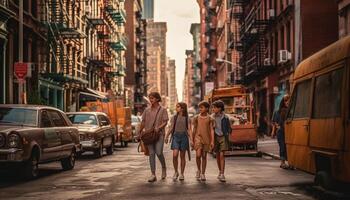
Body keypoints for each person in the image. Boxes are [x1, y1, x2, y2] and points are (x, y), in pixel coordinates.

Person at [138, 92, 169, 182]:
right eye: (150, 98)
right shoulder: (147, 110)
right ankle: (153, 174)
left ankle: (164, 167)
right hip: (148, 135)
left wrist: (159, 128)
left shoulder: (163, 110)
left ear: (157, 99)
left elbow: (165, 121)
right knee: (151, 153)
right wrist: (140, 132)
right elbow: (143, 122)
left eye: (152, 98)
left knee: (159, 152)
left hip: (159, 134)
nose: (150, 100)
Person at [165, 102, 192, 181]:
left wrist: (191, 140)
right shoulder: (174, 117)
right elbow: (171, 128)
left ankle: (182, 173)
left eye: (178, 107)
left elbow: (189, 130)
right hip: (176, 137)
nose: (176, 108)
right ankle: (176, 171)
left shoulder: (187, 118)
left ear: (182, 108)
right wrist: (166, 136)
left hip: (184, 137)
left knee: (182, 156)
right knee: (175, 155)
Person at [191, 101, 215, 181]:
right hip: (198, 138)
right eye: (199, 107)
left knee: (204, 156)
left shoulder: (210, 118)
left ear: (207, 108)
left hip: (207, 139)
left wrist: (212, 141)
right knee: (198, 155)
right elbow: (194, 129)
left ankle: (203, 173)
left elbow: (211, 130)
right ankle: (198, 170)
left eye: (202, 107)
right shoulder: (196, 118)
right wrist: (192, 140)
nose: (200, 109)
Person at [212, 100, 232, 182]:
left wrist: (228, 134)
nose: (213, 109)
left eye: (214, 107)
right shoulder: (212, 117)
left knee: (222, 155)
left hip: (223, 137)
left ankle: (222, 174)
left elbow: (229, 127)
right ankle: (220, 171)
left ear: (219, 108)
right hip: (215, 137)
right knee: (217, 155)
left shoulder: (225, 117)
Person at [273, 94, 290, 169]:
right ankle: (282, 162)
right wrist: (273, 131)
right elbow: (275, 122)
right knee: (282, 146)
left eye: (288, 100)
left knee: (288, 147)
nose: (287, 102)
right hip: (281, 132)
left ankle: (290, 162)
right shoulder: (278, 112)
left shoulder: (291, 111)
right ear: (283, 102)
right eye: (285, 100)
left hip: (289, 131)